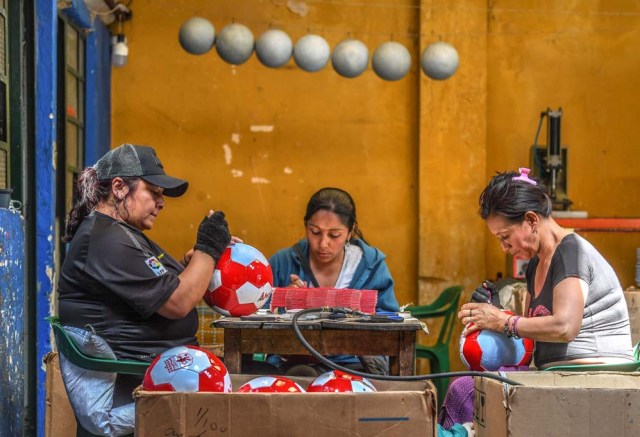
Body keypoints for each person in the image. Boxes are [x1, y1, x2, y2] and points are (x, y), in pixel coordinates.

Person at [57, 144, 233, 436]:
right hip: (133, 384)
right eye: (154, 193)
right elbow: (178, 302)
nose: (161, 203)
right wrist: (208, 247)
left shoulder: (120, 233)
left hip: (156, 370)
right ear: (119, 187)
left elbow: (159, 284)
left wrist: (191, 264)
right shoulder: (104, 239)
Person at [439, 168, 634, 429]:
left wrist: (503, 323)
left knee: (465, 390)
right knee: (467, 387)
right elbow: (530, 334)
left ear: (531, 220)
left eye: (505, 237)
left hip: (595, 378)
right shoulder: (535, 265)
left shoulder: (569, 252)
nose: (504, 248)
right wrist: (497, 313)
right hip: (558, 375)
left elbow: (564, 326)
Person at [267, 187, 400, 375]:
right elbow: (256, 314)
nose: (323, 244)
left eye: (334, 235)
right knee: (301, 376)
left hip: (354, 365)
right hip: (293, 365)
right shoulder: (283, 263)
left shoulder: (371, 266)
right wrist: (283, 301)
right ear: (306, 226)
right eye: (315, 232)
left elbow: (390, 324)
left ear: (350, 231)